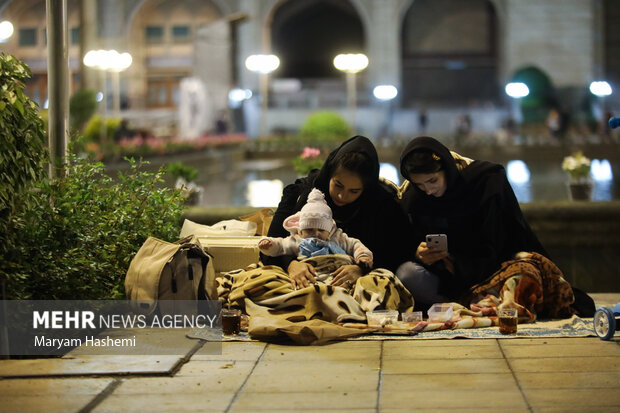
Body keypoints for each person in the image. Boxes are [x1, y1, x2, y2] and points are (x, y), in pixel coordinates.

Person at [396, 136, 548, 311]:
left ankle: (477, 303)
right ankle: (470, 305)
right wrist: (420, 254)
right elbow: (405, 241)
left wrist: (461, 265)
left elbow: (500, 241)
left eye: (433, 181)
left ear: (446, 169)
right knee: (407, 275)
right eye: (420, 185)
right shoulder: (415, 198)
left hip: (493, 272)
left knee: (522, 274)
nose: (429, 191)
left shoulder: (485, 182)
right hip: (446, 283)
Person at [261, 135, 415, 290]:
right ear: (330, 174)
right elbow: (269, 247)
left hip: (355, 286)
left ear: (366, 189)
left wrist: (361, 269)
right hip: (303, 281)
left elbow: (399, 254)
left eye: (354, 191)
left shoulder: (382, 205)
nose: (342, 196)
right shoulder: (301, 193)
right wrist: (291, 264)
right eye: (338, 185)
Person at [259, 188, 373, 271]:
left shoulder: (338, 238)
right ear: (301, 231)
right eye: (309, 230)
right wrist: (269, 244)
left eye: (321, 230)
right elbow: (281, 245)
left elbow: (355, 245)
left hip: (337, 272)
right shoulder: (297, 241)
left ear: (329, 229)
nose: (316, 234)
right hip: (311, 274)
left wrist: (363, 257)